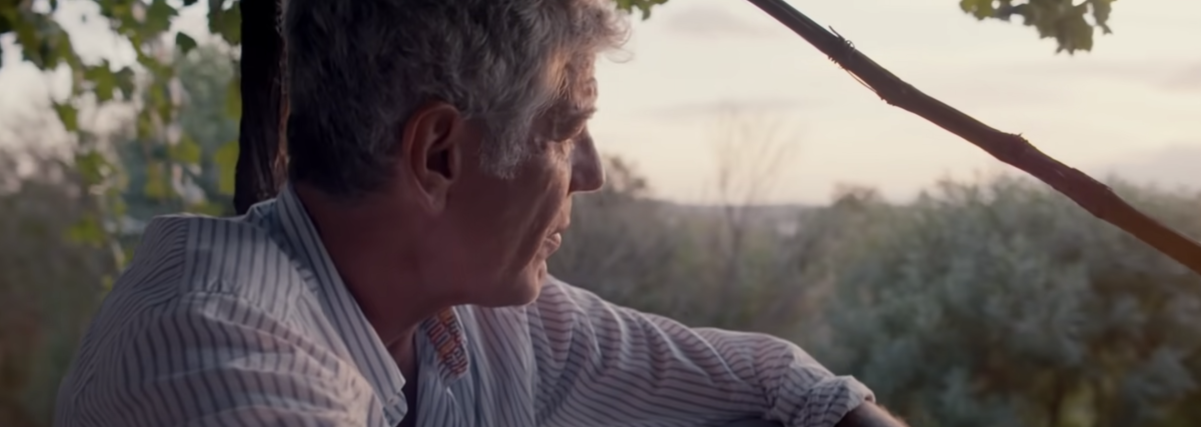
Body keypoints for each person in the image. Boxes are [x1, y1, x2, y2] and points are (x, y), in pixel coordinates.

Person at [54, 0, 907, 426]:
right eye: (566, 130)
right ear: (439, 156)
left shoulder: (456, 321)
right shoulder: (210, 354)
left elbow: (778, 384)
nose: (593, 174)